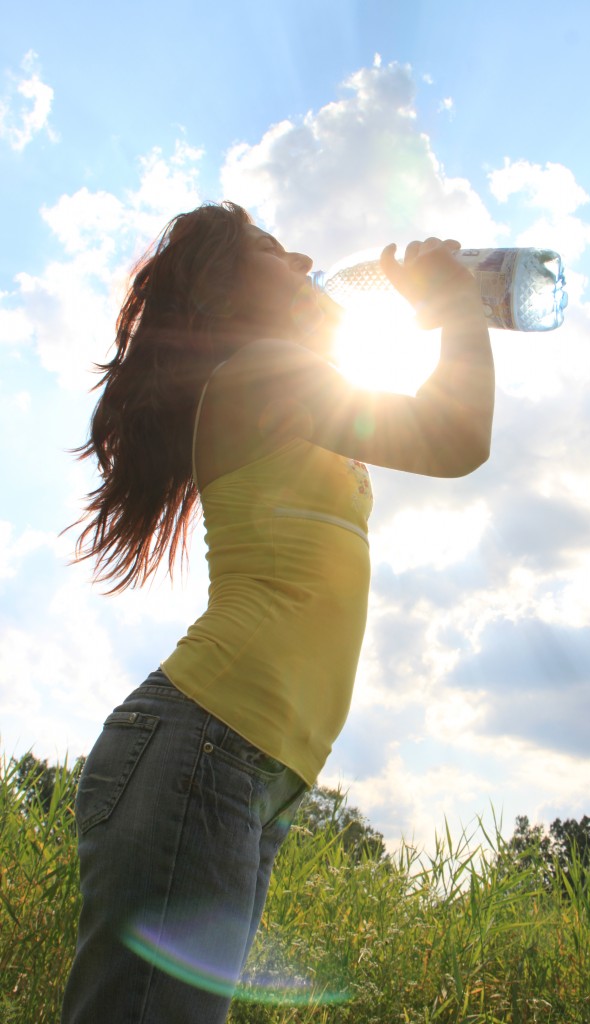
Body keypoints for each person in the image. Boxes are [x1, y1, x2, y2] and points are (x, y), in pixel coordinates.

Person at [60, 201, 494, 1024]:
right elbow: (458, 434)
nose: (299, 255)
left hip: (248, 772)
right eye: (267, 249)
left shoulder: (289, 391)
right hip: (206, 747)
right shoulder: (260, 375)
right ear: (223, 297)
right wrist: (453, 307)